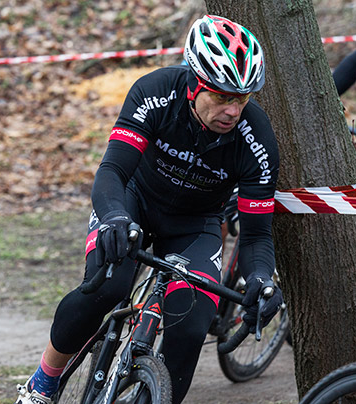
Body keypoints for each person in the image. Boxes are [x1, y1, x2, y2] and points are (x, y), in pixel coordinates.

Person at [15, 15, 283, 404]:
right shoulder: (156, 91)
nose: (232, 110)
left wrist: (261, 278)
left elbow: (257, 235)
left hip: (195, 224)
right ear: (193, 83)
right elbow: (113, 170)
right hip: (132, 201)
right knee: (107, 287)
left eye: (241, 99)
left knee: (191, 327)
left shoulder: (256, 139)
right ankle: (44, 380)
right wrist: (113, 218)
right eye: (222, 96)